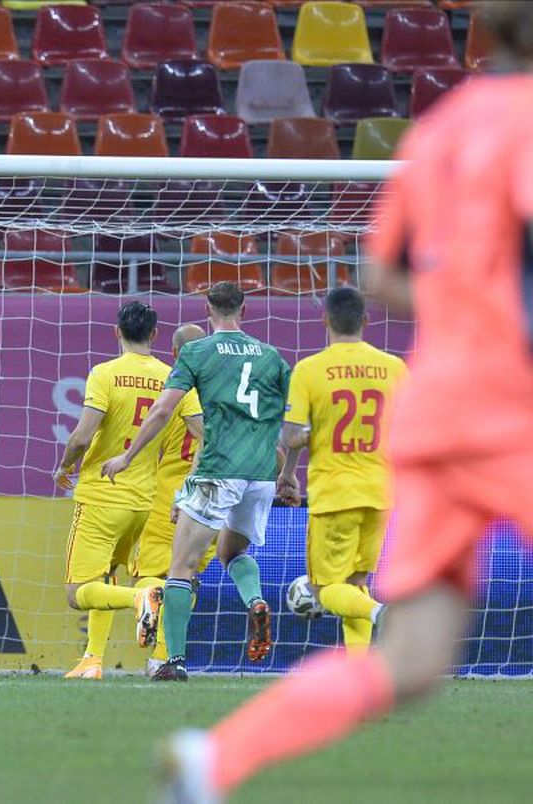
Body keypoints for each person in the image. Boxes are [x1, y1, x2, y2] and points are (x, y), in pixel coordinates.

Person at [158, 5, 533, 799]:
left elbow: (383, 277)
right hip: (512, 406)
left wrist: (464, 300)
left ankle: (213, 761)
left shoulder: (439, 132)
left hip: (440, 412)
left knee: (412, 663)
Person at [101, 282, 290, 681]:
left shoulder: (197, 351)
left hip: (218, 470)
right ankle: (254, 600)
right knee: (231, 553)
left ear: (207, 308)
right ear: (245, 309)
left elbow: (162, 411)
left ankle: (173, 661)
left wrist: (127, 455)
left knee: (180, 569)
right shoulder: (273, 357)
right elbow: (282, 427)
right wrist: (286, 473)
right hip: (259, 474)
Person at [52, 301, 186, 680]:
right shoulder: (172, 377)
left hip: (101, 494)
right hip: (144, 500)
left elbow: (81, 435)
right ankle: (93, 659)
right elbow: (198, 429)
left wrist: (65, 466)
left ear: (117, 332)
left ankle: (138, 598)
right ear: (155, 335)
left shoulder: (105, 373)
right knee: (109, 573)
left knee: (78, 591)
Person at [277, 287, 407, 650]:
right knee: (356, 582)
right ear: (366, 320)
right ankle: (360, 671)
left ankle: (381, 612)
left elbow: (291, 435)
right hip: (380, 493)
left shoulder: (309, 369)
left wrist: (294, 461)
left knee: (324, 588)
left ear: (325, 320)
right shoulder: (395, 368)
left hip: (335, 494)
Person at [124, 323, 215, 677]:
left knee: (151, 576)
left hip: (169, 496)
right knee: (185, 578)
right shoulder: (225, 391)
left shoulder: (174, 391)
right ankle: (164, 657)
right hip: (213, 500)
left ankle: (160, 651)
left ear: (175, 355)